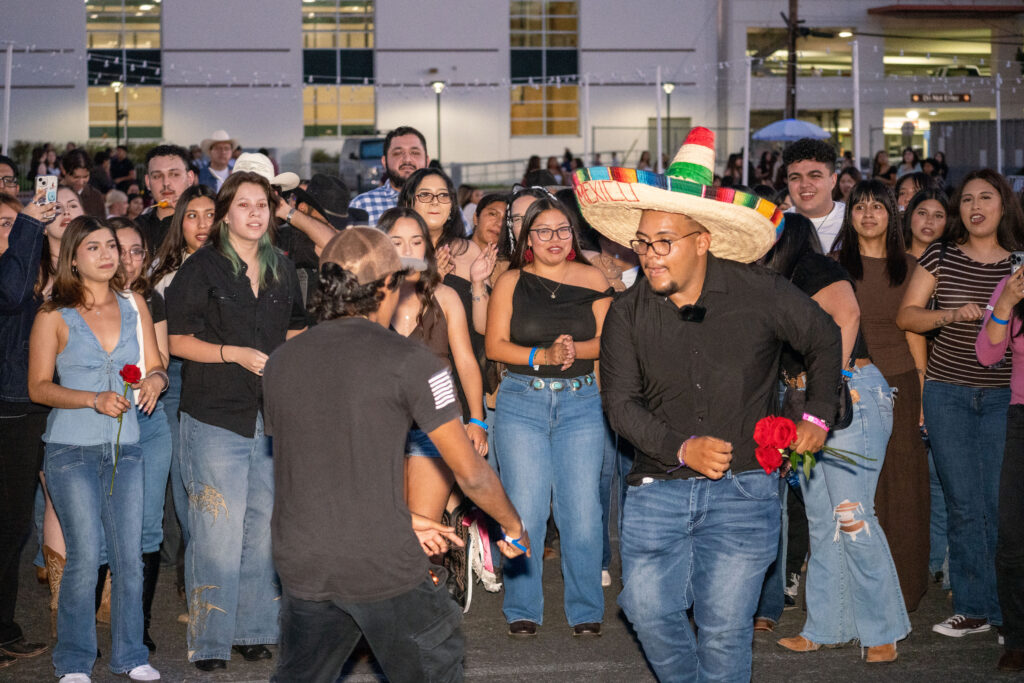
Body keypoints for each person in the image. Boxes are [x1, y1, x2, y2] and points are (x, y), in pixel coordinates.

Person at [577, 126, 840, 682]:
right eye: (642, 243)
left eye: (663, 242)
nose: (648, 255)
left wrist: (817, 414)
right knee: (644, 607)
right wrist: (681, 447)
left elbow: (823, 335)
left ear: (703, 241)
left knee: (724, 628)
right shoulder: (627, 311)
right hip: (656, 484)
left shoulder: (759, 292)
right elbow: (619, 406)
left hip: (744, 487)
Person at [262, 226, 528, 682]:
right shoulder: (412, 362)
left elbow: (320, 470)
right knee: (435, 663)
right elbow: (472, 475)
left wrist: (401, 517)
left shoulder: (282, 360)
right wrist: (511, 523)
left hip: (303, 559)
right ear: (387, 285)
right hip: (379, 563)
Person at [166, 172, 308, 672]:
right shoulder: (200, 269)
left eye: (262, 205)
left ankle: (252, 630)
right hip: (214, 415)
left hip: (270, 417)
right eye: (243, 204)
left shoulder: (282, 269)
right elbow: (176, 341)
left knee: (263, 531)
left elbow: (295, 329)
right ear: (225, 214)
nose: (254, 213)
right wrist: (231, 353)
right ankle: (209, 641)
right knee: (216, 531)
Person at [28, 216, 164, 683]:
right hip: (71, 449)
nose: (108, 255)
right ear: (73, 257)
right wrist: (90, 398)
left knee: (129, 556)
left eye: (112, 246)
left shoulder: (135, 303)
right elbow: (38, 388)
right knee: (86, 556)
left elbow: (157, 361)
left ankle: (131, 656)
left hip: (127, 447)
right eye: (94, 247)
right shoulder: (53, 314)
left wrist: (156, 380)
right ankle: (73, 661)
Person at [897, 169, 1024, 638]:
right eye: (967, 199)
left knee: (998, 504)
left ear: (1003, 205)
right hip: (947, 391)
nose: (975, 206)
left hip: (1004, 398)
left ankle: (1003, 607)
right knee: (963, 503)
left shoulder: (1019, 263)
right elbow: (906, 315)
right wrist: (949, 315)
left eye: (985, 197)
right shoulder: (941, 255)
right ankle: (972, 607)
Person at [486, 194, 612, 637]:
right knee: (527, 510)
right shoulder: (510, 282)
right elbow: (495, 346)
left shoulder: (594, 278)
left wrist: (575, 350)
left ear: (573, 237)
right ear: (527, 240)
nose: (553, 239)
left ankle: (585, 610)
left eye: (562, 230)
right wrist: (542, 354)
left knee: (582, 512)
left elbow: (609, 341)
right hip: (522, 400)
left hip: (581, 402)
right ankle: (522, 606)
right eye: (542, 231)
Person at [830, 179, 929, 615]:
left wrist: (923, 394)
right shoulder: (834, 266)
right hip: (848, 386)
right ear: (849, 216)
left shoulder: (910, 267)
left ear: (893, 215)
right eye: (859, 207)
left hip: (902, 383)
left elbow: (915, 335)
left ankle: (903, 593)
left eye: (878, 207)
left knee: (904, 492)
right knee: (851, 494)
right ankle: (851, 597)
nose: (868, 214)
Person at [382, 207, 488, 522]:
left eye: (416, 242)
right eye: (397, 242)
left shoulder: (446, 296)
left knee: (421, 529)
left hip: (436, 427)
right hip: (382, 429)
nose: (407, 251)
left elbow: (466, 361)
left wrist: (477, 422)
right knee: (389, 526)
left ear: (427, 248)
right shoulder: (370, 301)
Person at [150, 183, 217, 601]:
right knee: (184, 487)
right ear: (179, 222)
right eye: (192, 215)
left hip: (225, 383)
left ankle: (212, 577)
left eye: (210, 214)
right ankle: (195, 579)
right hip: (175, 381)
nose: (202, 223)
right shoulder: (163, 271)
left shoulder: (238, 264)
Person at [0, 185, 55, 673]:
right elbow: (12, 294)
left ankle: (3, 630)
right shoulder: (13, 275)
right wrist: (29, 228)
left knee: (13, 528)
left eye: (10, 224)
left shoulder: (25, 271)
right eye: (1, 226)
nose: (9, 234)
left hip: (23, 412)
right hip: (6, 409)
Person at [112, 219, 173, 652]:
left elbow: (162, 360)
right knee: (99, 531)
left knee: (149, 530)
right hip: (99, 424)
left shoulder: (148, 297)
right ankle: (88, 627)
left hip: (148, 419)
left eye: (138, 251)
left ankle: (139, 623)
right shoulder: (70, 304)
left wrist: (155, 378)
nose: (130, 260)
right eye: (121, 249)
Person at [976, 253, 1024, 673]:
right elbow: (988, 355)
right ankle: (1018, 636)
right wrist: (1005, 304)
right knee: (1012, 539)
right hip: (1021, 418)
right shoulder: (1014, 283)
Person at [349, 126, 429, 225]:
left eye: (415, 153)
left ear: (427, 161)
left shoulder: (443, 205)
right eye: (398, 153)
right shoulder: (361, 205)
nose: (407, 159)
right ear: (384, 161)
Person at [784, 138, 845, 253]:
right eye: (795, 178)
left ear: (833, 180)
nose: (804, 185)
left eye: (815, 176)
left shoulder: (854, 222)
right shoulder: (775, 225)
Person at [137, 144, 196, 256]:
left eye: (174, 174)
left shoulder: (203, 227)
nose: (166, 183)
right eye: (157, 176)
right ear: (148, 182)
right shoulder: (136, 228)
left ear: (190, 178)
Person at [60, 150, 106, 218]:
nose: (81, 182)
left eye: (85, 177)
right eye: (76, 177)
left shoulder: (96, 197)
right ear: (64, 171)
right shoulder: (52, 194)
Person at [904, 188, 948, 258]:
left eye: (938, 216)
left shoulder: (953, 266)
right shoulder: (888, 258)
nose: (929, 221)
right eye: (922, 213)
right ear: (910, 215)